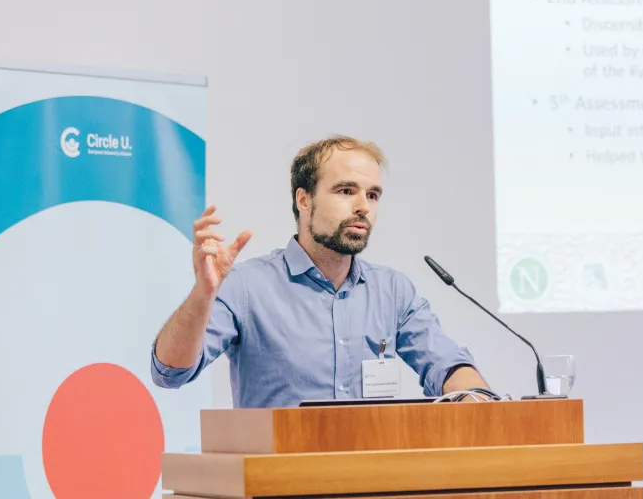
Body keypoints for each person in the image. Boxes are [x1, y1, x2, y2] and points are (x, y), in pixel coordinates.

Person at [150, 135, 490, 408]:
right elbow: (170, 372)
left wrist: (479, 400)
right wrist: (203, 294)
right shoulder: (247, 286)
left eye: (373, 195)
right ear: (304, 200)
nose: (363, 206)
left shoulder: (392, 291)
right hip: (281, 472)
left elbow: (447, 364)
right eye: (346, 191)